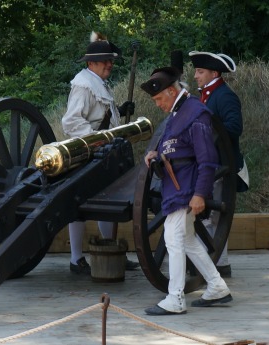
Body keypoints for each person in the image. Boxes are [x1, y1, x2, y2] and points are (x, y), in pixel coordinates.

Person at [141, 66, 232, 315]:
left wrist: (200, 194)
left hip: (187, 188)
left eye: (160, 98)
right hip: (176, 186)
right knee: (188, 240)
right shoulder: (178, 112)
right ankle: (217, 286)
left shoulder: (196, 113)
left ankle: (175, 298)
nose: (158, 104)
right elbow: (175, 147)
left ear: (171, 91)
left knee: (173, 237)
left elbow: (207, 160)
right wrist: (155, 154)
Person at [61, 31, 139, 274]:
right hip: (87, 152)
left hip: (103, 152)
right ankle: (76, 260)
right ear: (90, 63)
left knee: (109, 200)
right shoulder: (83, 85)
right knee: (77, 206)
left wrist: (120, 111)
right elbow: (71, 122)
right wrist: (97, 140)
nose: (109, 64)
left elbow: (102, 114)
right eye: (105, 60)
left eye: (111, 60)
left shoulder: (97, 82)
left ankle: (110, 248)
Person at [189, 51, 250, 278]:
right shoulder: (207, 95)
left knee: (214, 217)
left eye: (200, 71)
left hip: (221, 164)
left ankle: (219, 263)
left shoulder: (224, 96)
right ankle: (218, 262)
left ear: (214, 73)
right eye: (196, 71)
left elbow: (234, 127)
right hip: (210, 164)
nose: (196, 76)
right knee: (209, 216)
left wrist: (206, 136)